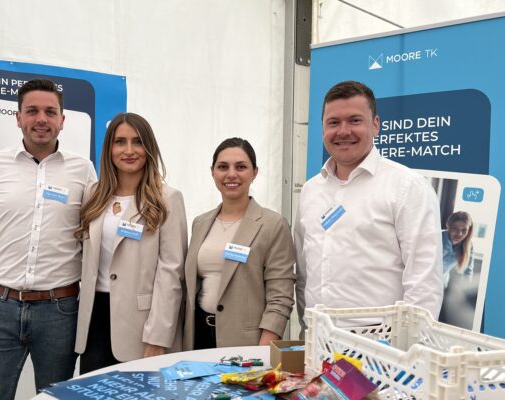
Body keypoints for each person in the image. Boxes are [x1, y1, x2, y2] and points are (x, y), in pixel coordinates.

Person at [0, 78, 97, 400]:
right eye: (32, 111)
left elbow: (94, 235)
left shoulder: (83, 171)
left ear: (62, 120)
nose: (41, 119)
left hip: (59, 311)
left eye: (50, 112)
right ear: (18, 117)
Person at [294, 80, 443, 336]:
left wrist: (407, 348)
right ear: (323, 128)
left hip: (381, 345)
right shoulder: (310, 190)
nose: (343, 131)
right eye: (333, 122)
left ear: (375, 125)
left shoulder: (407, 187)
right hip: (318, 339)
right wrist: (307, 329)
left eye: (354, 120)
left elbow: (424, 282)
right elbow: (304, 273)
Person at [74, 112, 187, 373]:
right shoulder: (93, 194)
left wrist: (158, 337)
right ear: (109, 149)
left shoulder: (167, 199)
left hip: (141, 327)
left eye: (137, 142)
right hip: (93, 322)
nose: (129, 150)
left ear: (149, 148)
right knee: (94, 397)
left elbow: (171, 273)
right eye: (120, 142)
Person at [183, 137, 295, 350]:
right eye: (223, 167)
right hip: (198, 335)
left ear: (254, 172)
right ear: (213, 172)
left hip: (246, 344)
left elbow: (280, 295)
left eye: (241, 167)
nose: (231, 174)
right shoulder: (200, 223)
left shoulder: (273, 225)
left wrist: (264, 349)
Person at [442, 211, 474, 288]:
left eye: (464, 230)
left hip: (441, 285)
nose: (459, 233)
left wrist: (466, 289)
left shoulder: (468, 246)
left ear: (469, 230)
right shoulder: (437, 237)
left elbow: (468, 272)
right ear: (448, 226)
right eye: (455, 228)